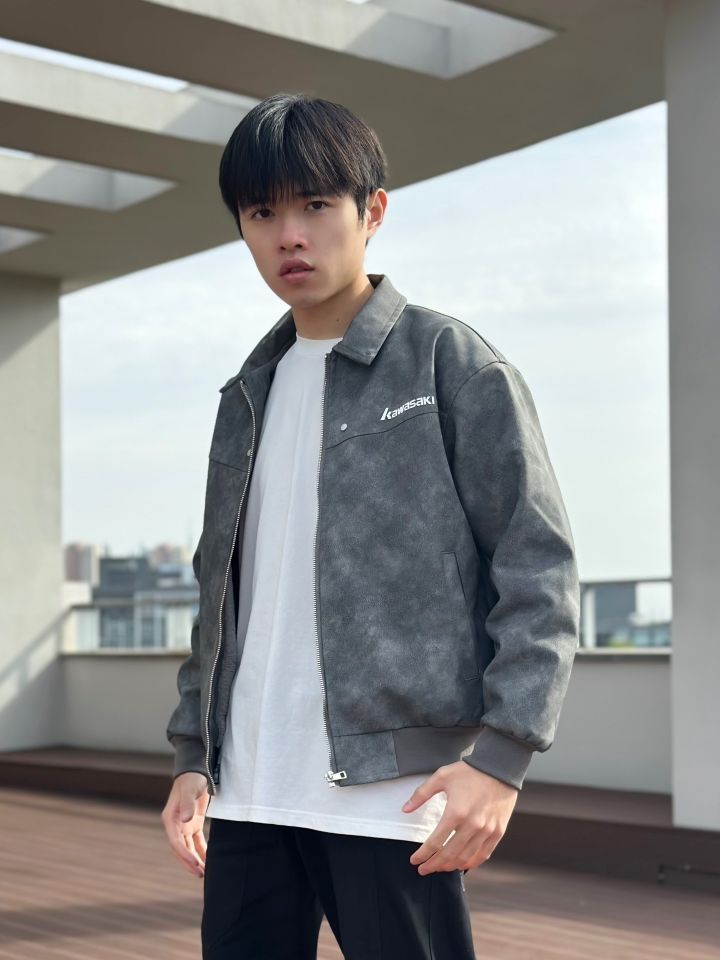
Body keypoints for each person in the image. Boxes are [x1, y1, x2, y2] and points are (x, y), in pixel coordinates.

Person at [161, 91, 581, 959]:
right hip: (247, 794)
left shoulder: (450, 365)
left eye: (316, 205)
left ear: (373, 211)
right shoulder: (246, 395)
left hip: (390, 795)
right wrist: (194, 756)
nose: (290, 236)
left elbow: (537, 567)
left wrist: (503, 757)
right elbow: (219, 593)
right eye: (262, 213)